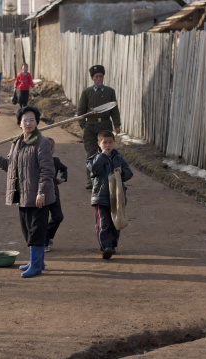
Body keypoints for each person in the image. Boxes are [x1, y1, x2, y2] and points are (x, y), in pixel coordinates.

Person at [0, 106, 55, 278]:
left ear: (37, 122)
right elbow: (10, 166)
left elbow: (47, 170)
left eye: (31, 120)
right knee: (28, 230)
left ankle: (36, 266)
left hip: (38, 196)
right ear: (19, 124)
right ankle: (37, 261)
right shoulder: (17, 143)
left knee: (37, 230)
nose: (28, 123)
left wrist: (42, 192)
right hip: (23, 195)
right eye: (25, 120)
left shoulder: (42, 142)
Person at [86, 130, 132, 260]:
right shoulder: (93, 159)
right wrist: (103, 156)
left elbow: (129, 173)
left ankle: (112, 246)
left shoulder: (119, 158)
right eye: (104, 142)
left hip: (117, 197)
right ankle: (105, 247)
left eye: (110, 142)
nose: (108, 145)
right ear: (99, 144)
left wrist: (122, 172)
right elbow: (94, 169)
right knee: (103, 223)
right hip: (101, 197)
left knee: (115, 223)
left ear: (114, 143)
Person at [77, 65, 121, 189]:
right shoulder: (86, 93)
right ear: (92, 78)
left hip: (105, 127)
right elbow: (80, 112)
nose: (99, 79)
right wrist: (83, 126)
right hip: (90, 127)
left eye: (101, 76)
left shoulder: (109, 92)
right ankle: (90, 181)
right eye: (96, 76)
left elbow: (114, 110)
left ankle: (106, 178)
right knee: (91, 154)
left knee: (106, 152)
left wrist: (117, 125)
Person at [44, 137, 67, 252]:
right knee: (42, 219)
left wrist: (63, 178)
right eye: (46, 146)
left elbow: (64, 169)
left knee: (58, 216)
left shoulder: (56, 161)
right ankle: (43, 243)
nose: (49, 149)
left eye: (51, 146)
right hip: (41, 194)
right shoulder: (37, 161)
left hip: (54, 194)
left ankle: (47, 236)